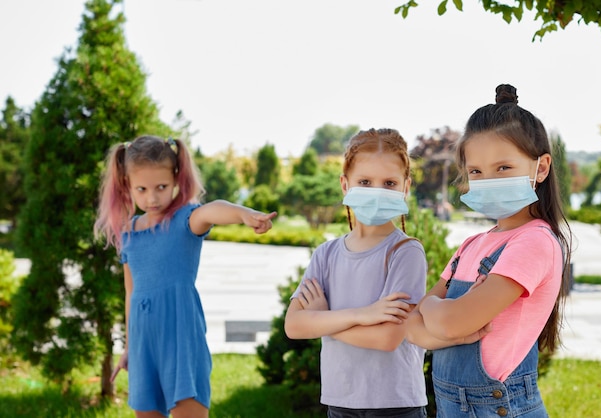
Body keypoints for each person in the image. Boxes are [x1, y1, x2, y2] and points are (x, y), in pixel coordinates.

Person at [407, 84, 572, 417]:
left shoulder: (534, 242)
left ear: (540, 168)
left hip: (499, 408)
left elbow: (447, 321)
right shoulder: (471, 245)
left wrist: (436, 310)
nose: (488, 180)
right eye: (476, 172)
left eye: (504, 168)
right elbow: (413, 329)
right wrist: (447, 326)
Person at [93, 135, 276, 418]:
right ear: (127, 184)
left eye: (161, 187)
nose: (151, 198)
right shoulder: (128, 232)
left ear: (177, 178)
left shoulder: (185, 220)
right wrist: (129, 346)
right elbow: (131, 292)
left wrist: (244, 214)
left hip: (180, 337)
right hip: (144, 342)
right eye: (141, 189)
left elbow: (213, 209)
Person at [284, 128, 429, 417]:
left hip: (395, 404)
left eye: (389, 183)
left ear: (406, 187)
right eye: (365, 182)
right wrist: (363, 315)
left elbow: (387, 339)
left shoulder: (406, 252)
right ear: (345, 184)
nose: (377, 191)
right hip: (340, 401)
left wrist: (323, 320)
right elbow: (295, 326)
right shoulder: (326, 254)